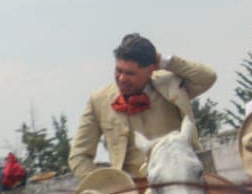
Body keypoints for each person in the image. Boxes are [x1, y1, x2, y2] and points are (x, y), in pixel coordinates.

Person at [68, 33, 216, 180]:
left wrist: (166, 61)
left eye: (130, 73)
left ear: (151, 69)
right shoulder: (98, 100)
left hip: (184, 178)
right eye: (118, 70)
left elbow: (207, 77)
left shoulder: (171, 85)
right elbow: (79, 156)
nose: (122, 79)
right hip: (132, 191)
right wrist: (105, 186)